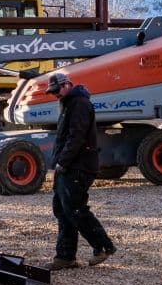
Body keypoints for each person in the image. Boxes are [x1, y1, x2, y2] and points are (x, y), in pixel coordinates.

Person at [46, 68, 116, 271]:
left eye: (57, 90)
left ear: (67, 85)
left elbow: (76, 137)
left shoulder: (79, 104)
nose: (56, 95)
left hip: (77, 166)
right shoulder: (70, 104)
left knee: (75, 209)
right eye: (53, 92)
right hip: (70, 166)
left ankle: (103, 246)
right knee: (63, 210)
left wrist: (63, 162)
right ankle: (65, 256)